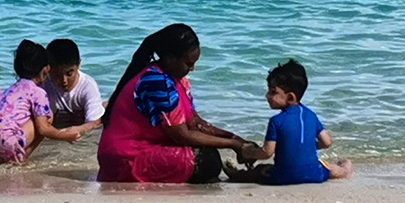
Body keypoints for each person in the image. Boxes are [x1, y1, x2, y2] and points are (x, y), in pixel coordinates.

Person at [97, 23, 251, 184]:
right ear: (171, 59)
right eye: (188, 63)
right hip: (124, 158)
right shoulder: (156, 81)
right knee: (206, 161)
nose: (192, 68)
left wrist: (238, 140)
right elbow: (182, 136)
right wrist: (234, 145)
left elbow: (194, 122)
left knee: (207, 156)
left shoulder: (176, 78)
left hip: (142, 148)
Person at [224, 59, 353, 184]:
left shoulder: (276, 121)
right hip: (315, 175)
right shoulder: (311, 115)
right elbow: (327, 142)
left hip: (283, 177)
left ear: (290, 97)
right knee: (331, 169)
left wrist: (249, 152)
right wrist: (306, 144)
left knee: (259, 171)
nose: (267, 95)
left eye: (273, 92)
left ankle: (235, 174)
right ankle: (346, 169)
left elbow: (267, 153)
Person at [0, 40, 84, 164]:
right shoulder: (38, 92)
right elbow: (43, 129)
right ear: (46, 70)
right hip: (5, 144)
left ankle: (2, 157)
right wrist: (66, 136)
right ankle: (21, 158)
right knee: (47, 116)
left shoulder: (11, 90)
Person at [42, 38, 104, 131]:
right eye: (57, 75)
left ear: (78, 65)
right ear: (48, 70)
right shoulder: (44, 85)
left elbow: (94, 123)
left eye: (69, 74)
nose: (64, 80)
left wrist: (70, 131)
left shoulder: (87, 86)